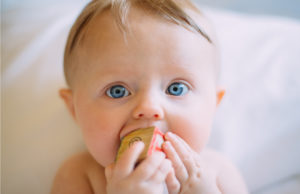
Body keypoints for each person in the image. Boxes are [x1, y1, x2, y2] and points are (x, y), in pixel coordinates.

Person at [51, 0, 248, 193]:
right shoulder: (78, 175)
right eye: (117, 91)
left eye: (176, 88)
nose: (149, 107)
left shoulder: (218, 173)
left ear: (213, 105)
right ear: (74, 109)